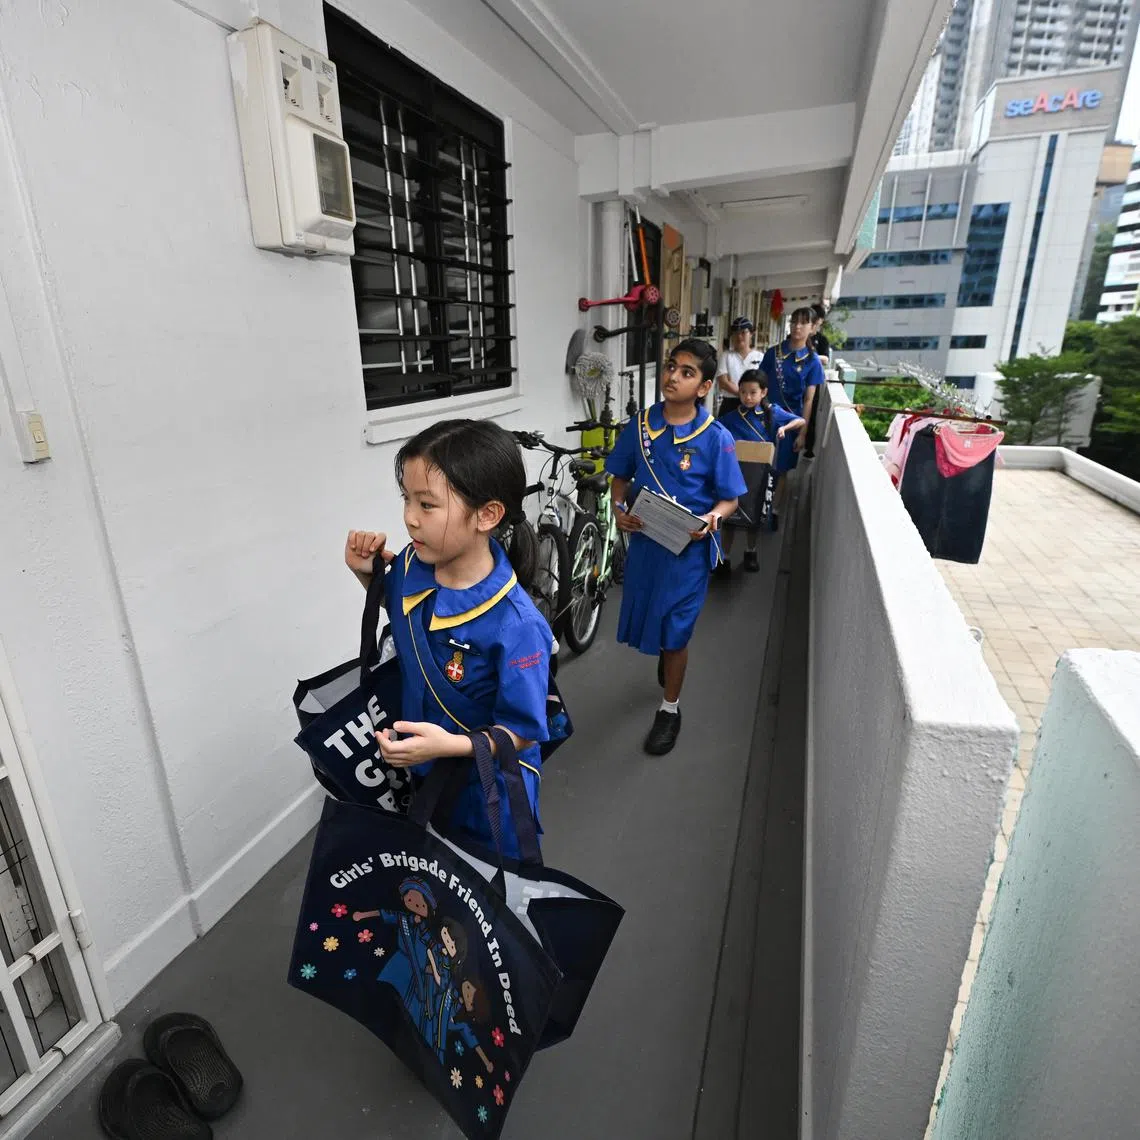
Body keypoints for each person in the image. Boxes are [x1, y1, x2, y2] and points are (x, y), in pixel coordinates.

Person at [344, 419, 554, 860]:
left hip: (486, 796)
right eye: (406, 498)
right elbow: (411, 626)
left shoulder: (519, 626)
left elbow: (522, 732)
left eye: (427, 504)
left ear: (487, 515)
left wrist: (450, 746)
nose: (408, 517)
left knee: (482, 910)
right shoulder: (406, 567)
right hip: (422, 777)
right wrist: (369, 578)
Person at [606, 339, 747, 755]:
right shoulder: (640, 426)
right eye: (671, 367)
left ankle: (670, 709)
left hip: (688, 552)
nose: (673, 376)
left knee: (677, 633)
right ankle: (667, 658)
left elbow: (731, 499)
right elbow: (619, 477)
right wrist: (618, 510)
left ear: (704, 387)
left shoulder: (715, 438)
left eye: (687, 372)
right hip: (648, 545)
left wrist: (711, 519)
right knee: (657, 620)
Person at [716, 369, 805, 574]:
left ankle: (751, 552)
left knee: (754, 516)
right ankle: (725, 558)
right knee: (730, 518)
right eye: (744, 392)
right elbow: (714, 430)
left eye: (753, 392)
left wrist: (785, 428)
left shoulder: (772, 412)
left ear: (763, 392)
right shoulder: (730, 417)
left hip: (761, 473)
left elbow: (800, 420)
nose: (748, 397)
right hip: (735, 471)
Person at [759, 306, 825, 479]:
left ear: (813, 328)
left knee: (782, 470)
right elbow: (759, 384)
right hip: (764, 417)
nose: (797, 326)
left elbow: (809, 400)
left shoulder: (812, 361)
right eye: (794, 321)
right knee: (758, 463)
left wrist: (802, 433)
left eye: (804, 323)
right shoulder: (773, 353)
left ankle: (776, 506)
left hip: (791, 422)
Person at [715, 316, 764, 417]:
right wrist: (746, 395)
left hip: (754, 405)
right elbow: (724, 382)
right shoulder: (726, 356)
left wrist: (748, 397)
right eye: (736, 333)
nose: (739, 336)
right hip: (730, 404)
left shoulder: (760, 357)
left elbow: (763, 382)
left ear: (751, 334)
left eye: (743, 332)